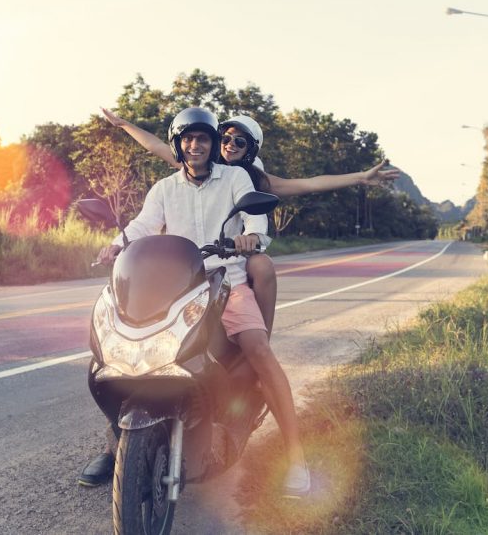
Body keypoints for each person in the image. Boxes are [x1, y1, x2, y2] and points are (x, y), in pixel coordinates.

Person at [79, 106, 311, 498]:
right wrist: (117, 244)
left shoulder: (234, 177)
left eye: (202, 138)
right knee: (125, 352)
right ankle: (115, 443)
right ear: (178, 145)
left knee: (258, 349)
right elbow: (142, 226)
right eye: (187, 138)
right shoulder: (165, 189)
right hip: (177, 287)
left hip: (227, 283)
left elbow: (255, 218)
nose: (195, 145)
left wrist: (250, 236)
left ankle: (296, 456)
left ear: (211, 144)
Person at [100, 107, 400, 331]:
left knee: (262, 265)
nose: (230, 145)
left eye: (240, 142)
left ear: (250, 149)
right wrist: (125, 124)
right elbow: (157, 146)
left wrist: (361, 177)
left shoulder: (253, 177)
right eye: (227, 138)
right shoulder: (200, 160)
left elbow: (311, 183)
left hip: (241, 249)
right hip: (197, 258)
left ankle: (260, 334)